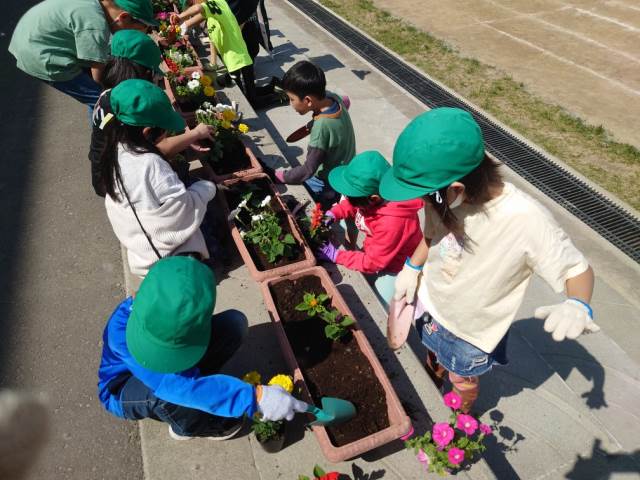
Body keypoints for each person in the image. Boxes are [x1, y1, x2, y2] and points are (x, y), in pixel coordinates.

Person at [381, 107, 599, 413]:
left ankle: (462, 412)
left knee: (463, 379)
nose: (421, 202)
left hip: (471, 331)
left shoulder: (525, 219)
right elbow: (431, 236)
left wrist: (578, 303)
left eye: (425, 195)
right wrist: (412, 266)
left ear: (456, 189)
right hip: (433, 306)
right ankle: (436, 369)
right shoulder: (441, 197)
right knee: (433, 351)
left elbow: (577, 270)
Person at [98, 256, 307, 439]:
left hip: (166, 370)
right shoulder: (120, 334)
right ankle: (186, 427)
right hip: (124, 388)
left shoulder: (162, 300)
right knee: (167, 396)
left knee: (235, 324)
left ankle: (201, 387)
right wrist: (254, 397)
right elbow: (176, 386)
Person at [101, 79, 217, 277]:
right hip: (169, 263)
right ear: (148, 132)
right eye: (165, 130)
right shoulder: (152, 165)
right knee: (206, 211)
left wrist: (191, 137)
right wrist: (206, 188)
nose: (168, 133)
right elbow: (182, 211)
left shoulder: (115, 148)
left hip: (141, 257)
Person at [89, 29, 216, 196]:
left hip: (103, 169)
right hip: (119, 185)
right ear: (141, 70)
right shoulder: (132, 109)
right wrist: (195, 134)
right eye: (151, 71)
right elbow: (160, 149)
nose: (153, 76)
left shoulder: (112, 94)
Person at [316, 151, 423, 308]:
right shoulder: (374, 198)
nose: (349, 200)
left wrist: (337, 255)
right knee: (367, 277)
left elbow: (373, 262)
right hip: (378, 252)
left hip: (397, 268)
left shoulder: (392, 222)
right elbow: (353, 205)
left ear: (373, 199)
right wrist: (335, 213)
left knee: (377, 304)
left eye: (353, 198)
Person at [9, 0, 156, 112]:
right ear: (124, 17)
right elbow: (98, 74)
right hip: (40, 55)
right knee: (103, 101)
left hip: (31, 36)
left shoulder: (94, 6)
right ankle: (106, 147)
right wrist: (112, 91)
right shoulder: (95, 25)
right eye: (135, 31)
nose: (133, 36)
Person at [171, 0, 283, 108]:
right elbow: (203, 12)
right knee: (240, 82)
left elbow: (199, 8)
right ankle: (270, 87)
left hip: (238, 59)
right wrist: (183, 25)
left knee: (251, 98)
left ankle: (278, 96)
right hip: (234, 57)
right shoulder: (217, 9)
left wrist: (181, 19)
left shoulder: (222, 5)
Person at [275, 61, 356, 209]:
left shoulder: (321, 129)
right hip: (347, 168)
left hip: (328, 181)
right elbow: (346, 101)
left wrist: (282, 176)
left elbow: (308, 170)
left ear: (308, 101)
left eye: (292, 99)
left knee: (313, 204)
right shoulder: (333, 98)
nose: (290, 103)